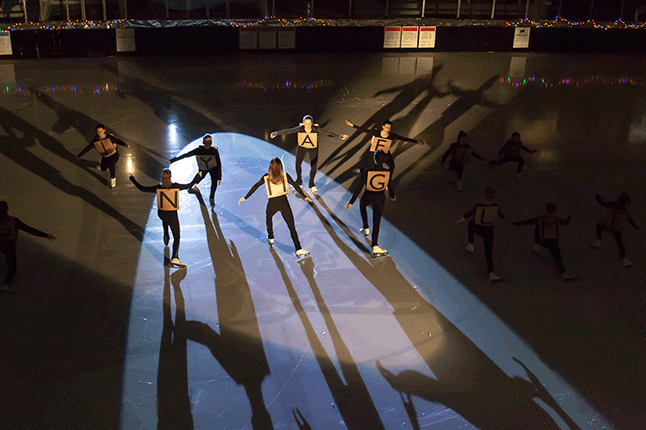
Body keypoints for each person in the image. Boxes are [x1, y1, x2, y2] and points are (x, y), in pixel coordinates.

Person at [238, 158, 312, 258]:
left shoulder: (266, 177)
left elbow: (256, 186)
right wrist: (304, 196)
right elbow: (295, 185)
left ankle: (271, 237)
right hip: (284, 203)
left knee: (268, 218)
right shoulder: (285, 176)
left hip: (272, 203)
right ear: (280, 167)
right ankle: (298, 249)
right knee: (291, 227)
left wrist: (245, 197)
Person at [130, 169, 198, 268]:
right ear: (170, 177)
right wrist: (198, 175)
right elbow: (189, 185)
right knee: (177, 236)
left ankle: (166, 233)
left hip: (161, 214)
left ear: (162, 178)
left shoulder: (158, 188)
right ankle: (175, 257)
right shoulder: (175, 186)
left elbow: (142, 188)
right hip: (172, 216)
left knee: (165, 220)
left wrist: (132, 179)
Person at [270, 115, 348, 194]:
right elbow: (289, 131)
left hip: (313, 148)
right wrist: (276, 133)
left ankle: (311, 184)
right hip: (302, 147)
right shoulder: (300, 128)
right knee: (297, 164)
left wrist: (339, 136)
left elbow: (327, 133)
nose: (307, 125)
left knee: (313, 166)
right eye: (306, 123)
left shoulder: (315, 129)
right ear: (303, 123)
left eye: (309, 123)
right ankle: (299, 180)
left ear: (312, 123)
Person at [346, 150, 396, 258]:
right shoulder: (387, 172)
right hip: (380, 198)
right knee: (376, 221)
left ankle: (365, 227)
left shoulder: (368, 171)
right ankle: (375, 246)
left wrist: (351, 201)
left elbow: (359, 186)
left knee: (362, 205)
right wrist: (392, 195)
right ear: (384, 161)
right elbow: (390, 185)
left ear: (374, 159)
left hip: (368, 196)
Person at [0, 201, 56, 293]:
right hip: (9, 246)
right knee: (12, 267)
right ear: (7, 210)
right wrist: (46, 235)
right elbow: (29, 229)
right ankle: (5, 285)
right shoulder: (13, 221)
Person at [513, 202, 575, 280]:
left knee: (537, 227)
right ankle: (564, 273)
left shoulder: (540, 218)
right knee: (557, 257)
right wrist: (569, 217)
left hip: (542, 240)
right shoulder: (557, 219)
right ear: (554, 210)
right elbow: (566, 222)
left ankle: (536, 243)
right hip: (553, 241)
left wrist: (515, 223)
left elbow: (528, 222)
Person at [457, 187, 505, 282]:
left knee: (471, 223)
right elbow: (502, 216)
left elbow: (468, 215)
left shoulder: (479, 206)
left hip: (478, 228)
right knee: (488, 253)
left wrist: (458, 221)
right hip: (489, 231)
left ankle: (470, 244)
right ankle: (491, 273)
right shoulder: (496, 206)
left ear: (484, 196)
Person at [344, 119, 424, 174]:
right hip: (377, 153)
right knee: (376, 167)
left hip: (385, 152)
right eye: (386, 127)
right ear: (383, 127)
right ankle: (363, 170)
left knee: (392, 166)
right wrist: (353, 125)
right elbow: (365, 130)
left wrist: (416, 141)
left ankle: (387, 181)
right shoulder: (376, 132)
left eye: (389, 128)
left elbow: (403, 138)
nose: (388, 129)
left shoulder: (391, 135)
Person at [167, 134, 222, 207]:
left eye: (209, 142)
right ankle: (188, 187)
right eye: (207, 142)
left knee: (214, 184)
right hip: (203, 170)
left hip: (213, 169)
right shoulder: (199, 150)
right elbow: (186, 155)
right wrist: (173, 160)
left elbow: (219, 164)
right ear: (203, 142)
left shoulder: (214, 151)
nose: (208, 144)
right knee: (195, 181)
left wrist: (219, 177)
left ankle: (211, 199)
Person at [590, 193, 640, 267]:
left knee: (599, 225)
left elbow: (602, 203)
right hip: (617, 229)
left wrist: (598, 197)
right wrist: (636, 227)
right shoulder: (625, 210)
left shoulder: (613, 204)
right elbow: (630, 220)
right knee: (619, 244)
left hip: (609, 225)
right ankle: (625, 260)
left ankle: (598, 242)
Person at [77, 123, 130, 188]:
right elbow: (88, 147)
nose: (99, 133)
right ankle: (103, 166)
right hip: (105, 156)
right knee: (103, 168)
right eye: (98, 132)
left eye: (101, 131)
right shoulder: (96, 140)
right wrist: (79, 155)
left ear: (104, 130)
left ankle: (113, 178)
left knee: (111, 165)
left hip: (114, 155)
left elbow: (117, 141)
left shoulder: (109, 137)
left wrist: (124, 144)